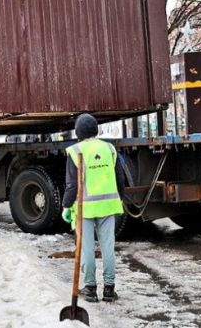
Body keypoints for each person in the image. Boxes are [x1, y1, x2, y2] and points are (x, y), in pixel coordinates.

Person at [62, 113, 126, 303]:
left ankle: (90, 288)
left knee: (86, 248)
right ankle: (109, 289)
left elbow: (72, 185)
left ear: (78, 132)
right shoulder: (109, 149)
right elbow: (119, 179)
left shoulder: (75, 151)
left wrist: (66, 206)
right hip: (108, 206)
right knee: (108, 248)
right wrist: (119, 199)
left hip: (85, 209)